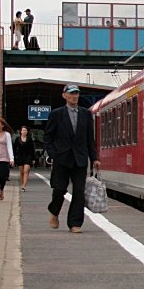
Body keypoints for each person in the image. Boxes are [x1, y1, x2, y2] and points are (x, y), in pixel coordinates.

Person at [44, 84, 100, 233]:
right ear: (64, 95)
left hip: (80, 159)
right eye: (71, 93)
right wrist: (52, 153)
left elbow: (90, 138)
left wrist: (94, 158)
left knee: (79, 192)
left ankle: (75, 223)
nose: (75, 96)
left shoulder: (86, 114)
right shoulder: (56, 114)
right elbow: (48, 136)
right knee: (59, 189)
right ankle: (54, 211)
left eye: (76, 93)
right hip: (62, 158)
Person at [13, 125, 36, 192]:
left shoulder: (29, 139)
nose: (24, 131)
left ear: (27, 132)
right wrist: (14, 158)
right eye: (23, 130)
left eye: (25, 130)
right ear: (21, 131)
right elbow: (14, 149)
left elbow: (32, 149)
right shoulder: (17, 139)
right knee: (21, 172)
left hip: (28, 156)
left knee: (26, 171)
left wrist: (33, 158)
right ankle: (22, 183)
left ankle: (24, 186)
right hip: (20, 156)